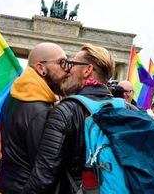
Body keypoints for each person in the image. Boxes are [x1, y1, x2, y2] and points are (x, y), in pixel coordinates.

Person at [22, 44, 115, 193]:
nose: (67, 70)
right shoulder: (130, 110)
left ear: (87, 70)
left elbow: (42, 179)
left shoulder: (66, 111)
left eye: (72, 64)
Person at [0, 43, 69, 193]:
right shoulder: (39, 111)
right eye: (61, 63)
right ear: (41, 68)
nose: (67, 70)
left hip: (5, 185)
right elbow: (45, 166)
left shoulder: (15, 95)